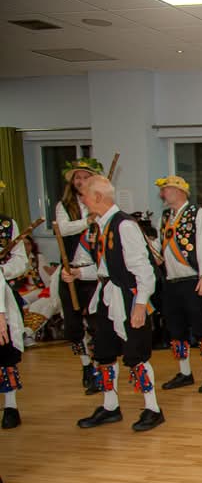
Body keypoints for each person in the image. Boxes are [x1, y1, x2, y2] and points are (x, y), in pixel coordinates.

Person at [71, 175, 164, 432]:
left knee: (136, 354)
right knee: (104, 353)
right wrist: (79, 274)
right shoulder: (101, 225)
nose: (84, 201)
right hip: (106, 296)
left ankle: (153, 409)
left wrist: (139, 305)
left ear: (98, 197)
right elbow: (105, 268)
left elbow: (144, 270)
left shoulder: (124, 226)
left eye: (85, 196)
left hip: (127, 298)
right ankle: (110, 407)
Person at [155, 175, 202, 394]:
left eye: (166, 189)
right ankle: (184, 372)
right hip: (171, 281)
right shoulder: (165, 217)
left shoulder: (198, 214)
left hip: (192, 280)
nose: (162, 194)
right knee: (175, 328)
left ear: (180, 191)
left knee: (201, 327)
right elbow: (159, 248)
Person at [57, 158, 104, 393]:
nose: (81, 181)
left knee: (96, 324)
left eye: (86, 177)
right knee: (73, 326)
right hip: (69, 271)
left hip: (93, 272)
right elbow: (63, 229)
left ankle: (98, 368)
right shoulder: (65, 206)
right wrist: (87, 221)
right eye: (78, 177)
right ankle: (85, 364)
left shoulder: (100, 203)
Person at [0, 187, 30, 429]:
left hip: (1, 295)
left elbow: (21, 261)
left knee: (4, 351)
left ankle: (10, 406)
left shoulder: (7, 226)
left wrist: (2, 271)